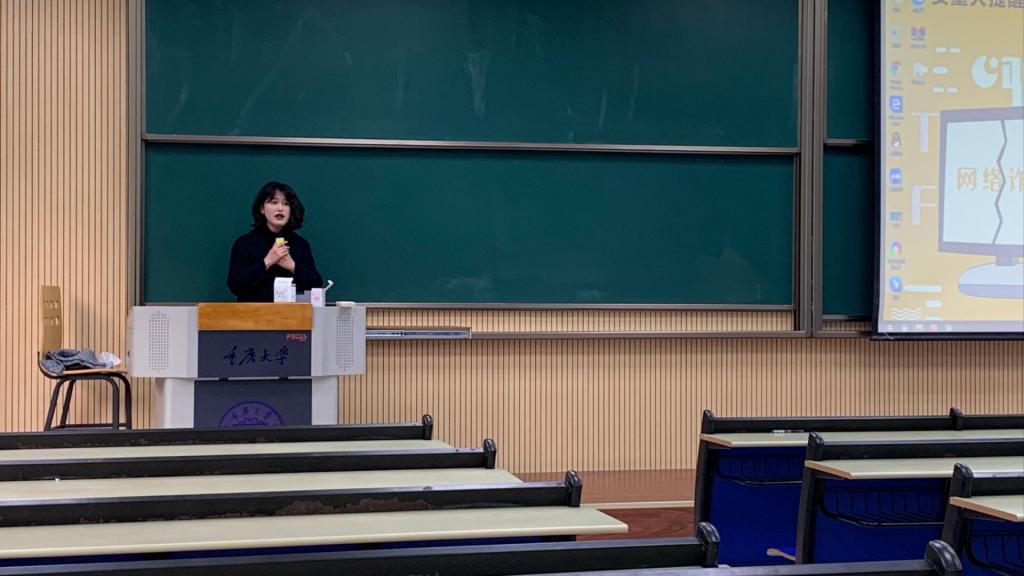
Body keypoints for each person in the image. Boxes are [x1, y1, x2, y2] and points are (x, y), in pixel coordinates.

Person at [228, 181, 324, 302]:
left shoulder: (300, 244)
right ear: (262, 208)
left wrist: (292, 266)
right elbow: (235, 285)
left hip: (292, 313)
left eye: (286, 204)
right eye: (274, 202)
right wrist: (268, 261)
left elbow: (316, 284)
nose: (280, 208)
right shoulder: (244, 243)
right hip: (252, 313)